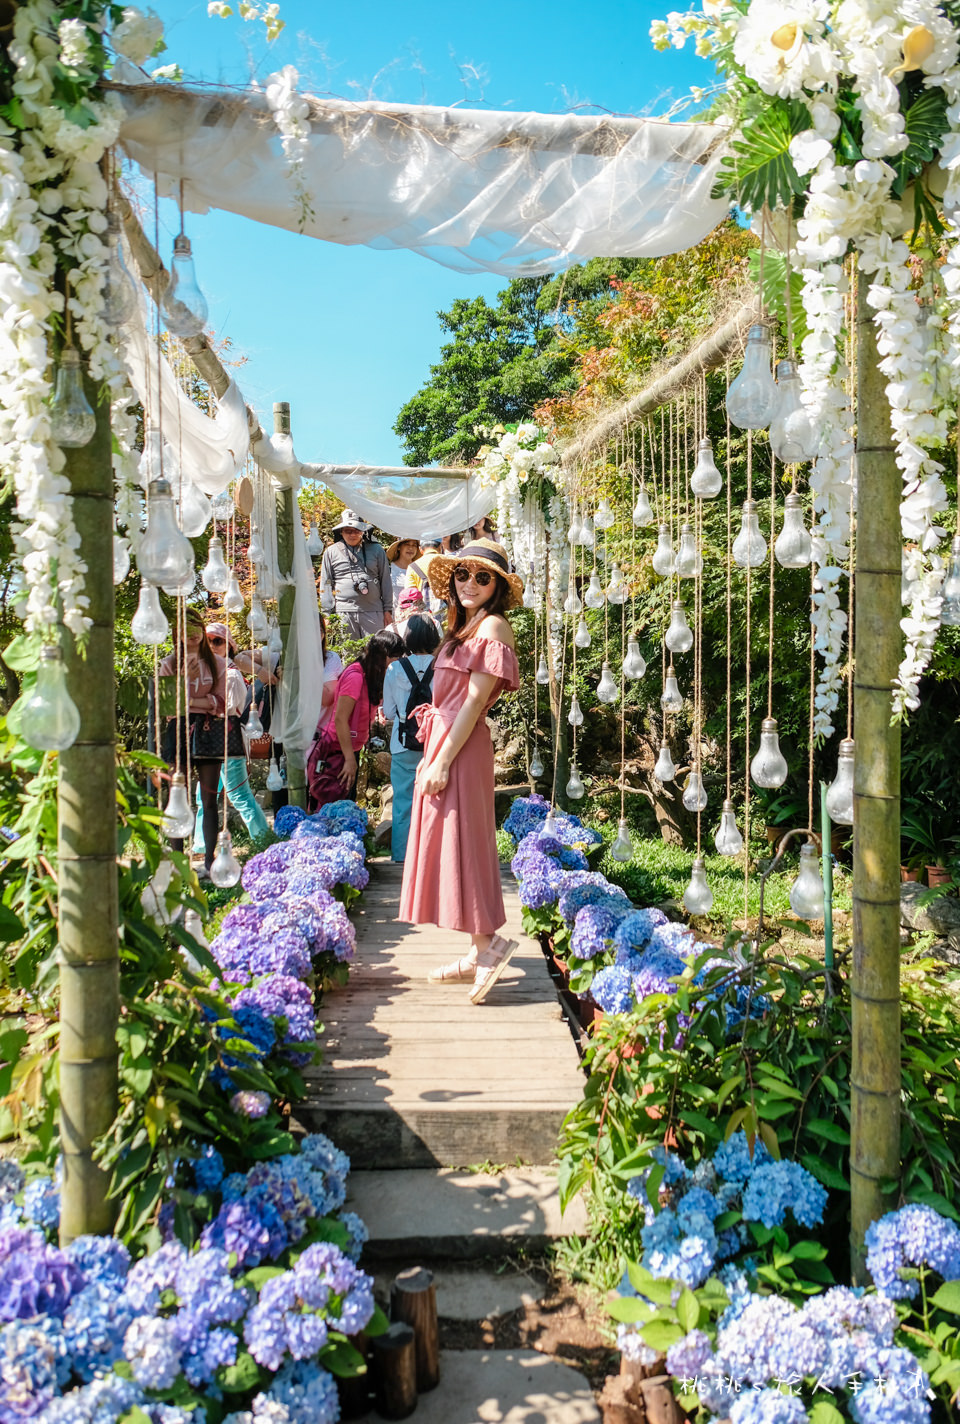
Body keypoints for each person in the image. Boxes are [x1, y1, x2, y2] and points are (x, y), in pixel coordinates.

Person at [399, 538, 522, 1004]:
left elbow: (473, 704)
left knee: (465, 841)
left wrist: (442, 761)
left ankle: (488, 947)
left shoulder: (492, 626)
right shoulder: (464, 626)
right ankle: (479, 948)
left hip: (461, 745)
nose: (470, 583)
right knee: (454, 841)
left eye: (482, 577)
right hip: (446, 740)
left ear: (498, 588)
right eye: (463, 574)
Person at [159, 608, 247, 877]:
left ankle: (210, 861)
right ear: (177, 634)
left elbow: (222, 704)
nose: (194, 633)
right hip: (179, 732)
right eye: (187, 628)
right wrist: (185, 682)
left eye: (197, 626)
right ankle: (177, 863)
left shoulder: (219, 664)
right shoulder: (169, 664)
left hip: (209, 732)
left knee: (209, 799)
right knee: (178, 796)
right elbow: (167, 705)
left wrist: (190, 701)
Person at [188, 622, 270, 852]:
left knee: (239, 795)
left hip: (225, 741)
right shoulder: (205, 673)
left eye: (218, 641)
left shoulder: (232, 674)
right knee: (204, 796)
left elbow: (230, 711)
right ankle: (201, 846)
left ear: (229, 646)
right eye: (208, 641)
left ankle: (263, 841)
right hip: (211, 742)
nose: (212, 646)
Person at [306, 627, 405, 810]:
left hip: (348, 750)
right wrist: (349, 759)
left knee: (343, 808)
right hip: (336, 751)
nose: (398, 662)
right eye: (395, 657)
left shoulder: (371, 676)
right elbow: (340, 720)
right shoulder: (355, 677)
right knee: (332, 810)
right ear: (382, 655)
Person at [381, 614, 442, 863]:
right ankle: (432, 856)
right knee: (435, 802)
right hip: (435, 742)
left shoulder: (395, 668)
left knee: (403, 800)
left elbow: (389, 712)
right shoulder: (442, 666)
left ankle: (401, 856)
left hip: (402, 743)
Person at [318, 510, 393, 637]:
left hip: (373, 611)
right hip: (344, 613)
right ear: (341, 532)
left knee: (375, 652)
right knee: (349, 654)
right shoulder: (330, 552)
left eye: (357, 530)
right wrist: (327, 615)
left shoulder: (377, 550)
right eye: (348, 530)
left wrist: (388, 610)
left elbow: (385, 580)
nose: (352, 534)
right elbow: (326, 583)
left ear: (363, 531)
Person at [405, 535, 447, 619]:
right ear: (440, 546)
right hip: (447, 616)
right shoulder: (448, 562)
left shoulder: (413, 567)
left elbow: (410, 595)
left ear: (420, 549)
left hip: (424, 618)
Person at [386, 537, 421, 609]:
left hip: (415, 616)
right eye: (407, 544)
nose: (410, 548)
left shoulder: (419, 570)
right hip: (392, 616)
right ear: (399, 547)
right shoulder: (388, 569)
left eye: (414, 545)